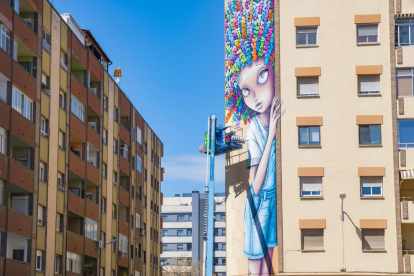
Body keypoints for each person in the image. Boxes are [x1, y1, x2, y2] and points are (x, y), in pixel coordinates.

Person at [225, 0, 285, 275]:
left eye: (262, 76)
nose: (256, 97)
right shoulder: (253, 130)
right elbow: (255, 186)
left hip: (272, 206)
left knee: (270, 270)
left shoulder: (275, 116)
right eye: (246, 91)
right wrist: (272, 136)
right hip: (258, 207)